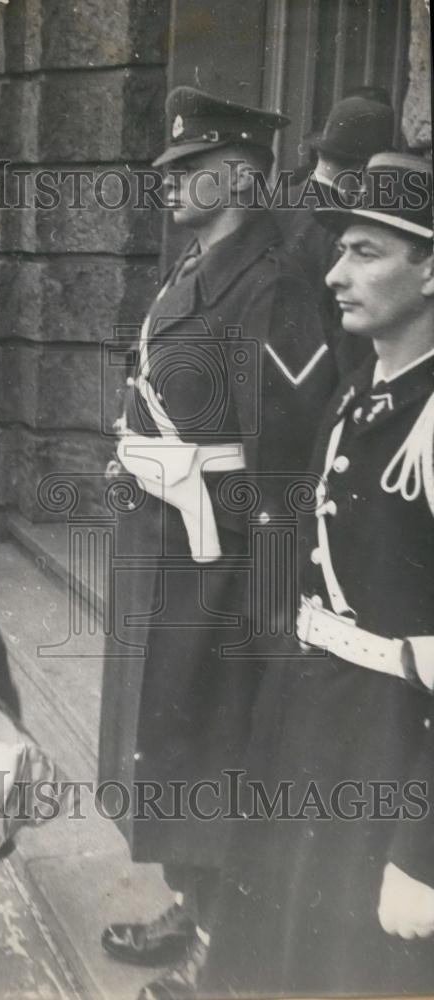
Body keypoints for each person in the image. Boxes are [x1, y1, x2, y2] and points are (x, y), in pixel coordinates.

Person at [97, 86, 339, 1000]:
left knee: (222, 747)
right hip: (171, 546)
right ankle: (190, 902)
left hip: (230, 564)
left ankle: (220, 946)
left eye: (189, 170)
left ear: (241, 174)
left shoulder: (272, 285)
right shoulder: (197, 263)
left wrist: (272, 595)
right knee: (174, 735)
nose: (170, 184)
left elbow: (287, 450)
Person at [203, 152, 434, 996]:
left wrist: (424, 852)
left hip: (385, 740)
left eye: (367, 252)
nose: (334, 272)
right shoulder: (360, 388)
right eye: (339, 249)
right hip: (312, 717)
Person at [276, 94, 395, 375]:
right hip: (319, 381)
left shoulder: (270, 202)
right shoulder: (348, 229)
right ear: (367, 169)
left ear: (320, 152)